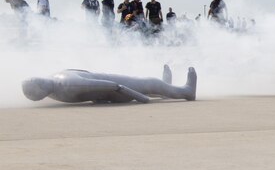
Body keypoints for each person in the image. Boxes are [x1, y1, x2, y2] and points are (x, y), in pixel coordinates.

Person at [21, 65, 197, 104]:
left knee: (149, 85)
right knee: (148, 83)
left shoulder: (56, 89)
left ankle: (167, 90)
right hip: (116, 90)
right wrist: (141, 98)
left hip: (111, 91)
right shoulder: (67, 84)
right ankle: (187, 92)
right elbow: (112, 85)